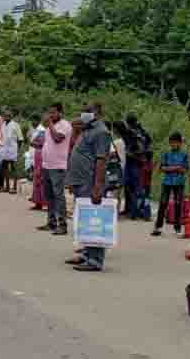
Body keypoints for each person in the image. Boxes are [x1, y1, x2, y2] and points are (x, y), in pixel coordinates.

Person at [65, 102, 112, 272]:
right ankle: (86, 253)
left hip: (90, 182)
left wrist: (98, 186)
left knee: (94, 221)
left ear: (98, 113)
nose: (84, 114)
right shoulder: (86, 129)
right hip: (80, 181)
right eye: (83, 111)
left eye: (88, 111)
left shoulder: (101, 132)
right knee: (84, 221)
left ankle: (95, 259)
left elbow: (101, 160)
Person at [41, 103, 73, 234]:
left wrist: (50, 125)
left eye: (53, 113)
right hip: (47, 164)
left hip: (58, 165)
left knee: (58, 195)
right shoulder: (51, 126)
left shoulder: (65, 125)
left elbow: (57, 139)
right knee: (49, 195)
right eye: (50, 113)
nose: (51, 115)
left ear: (61, 113)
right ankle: (51, 222)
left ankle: (62, 224)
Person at [151, 132, 189, 237]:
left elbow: (184, 169)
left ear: (180, 143)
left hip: (179, 183)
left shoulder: (184, 155)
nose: (173, 145)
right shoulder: (166, 154)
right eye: (171, 143)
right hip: (167, 182)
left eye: (175, 143)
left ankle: (177, 228)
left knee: (178, 204)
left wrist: (170, 168)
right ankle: (158, 227)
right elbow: (161, 168)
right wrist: (176, 168)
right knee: (163, 203)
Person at [0, 109, 23, 193]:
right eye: (5, 115)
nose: (6, 117)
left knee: (13, 168)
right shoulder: (3, 125)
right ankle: (7, 186)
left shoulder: (16, 125)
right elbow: (2, 137)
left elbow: (20, 139)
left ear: (11, 116)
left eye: (8, 115)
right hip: (4, 148)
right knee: (4, 167)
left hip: (13, 148)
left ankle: (14, 187)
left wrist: (17, 150)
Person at [28, 115, 46, 211]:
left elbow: (39, 143)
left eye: (34, 120)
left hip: (41, 157)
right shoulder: (34, 130)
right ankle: (37, 202)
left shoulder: (42, 131)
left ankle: (42, 202)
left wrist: (34, 143)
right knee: (36, 180)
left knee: (41, 180)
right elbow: (33, 143)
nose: (32, 122)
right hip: (36, 156)